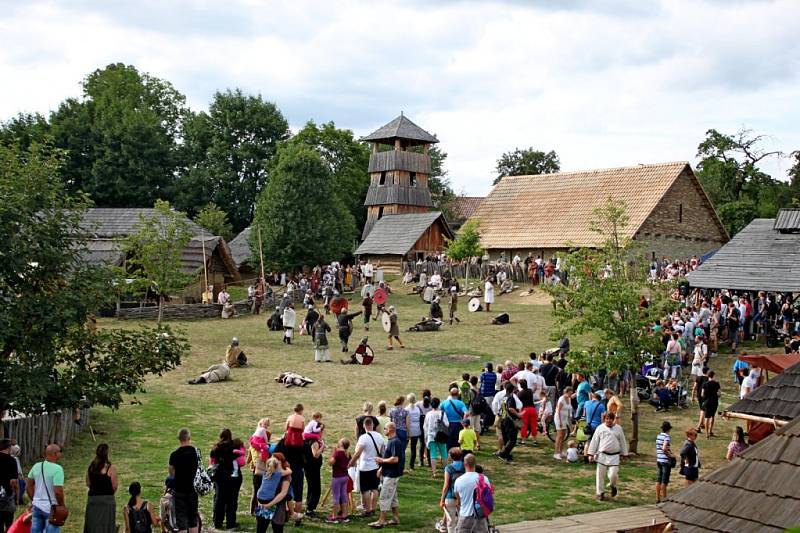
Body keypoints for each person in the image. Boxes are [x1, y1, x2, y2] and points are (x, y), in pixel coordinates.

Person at [587, 412, 629, 501]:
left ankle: (613, 485)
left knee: (613, 475)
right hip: (602, 455)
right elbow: (595, 441)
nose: (608, 421)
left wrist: (625, 453)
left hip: (614, 456)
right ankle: (600, 493)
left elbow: (622, 441)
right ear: (604, 419)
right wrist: (590, 454)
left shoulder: (618, 429)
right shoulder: (600, 428)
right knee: (600, 475)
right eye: (607, 419)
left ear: (613, 420)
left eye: (610, 419)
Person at [370, 422, 404, 528]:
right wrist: (381, 468)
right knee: (393, 497)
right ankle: (395, 518)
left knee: (384, 496)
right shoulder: (391, 441)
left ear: (390, 430)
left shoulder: (394, 442)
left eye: (385, 428)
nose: (384, 430)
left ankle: (382, 520)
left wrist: (381, 460)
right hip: (389, 473)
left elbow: (395, 459)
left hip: (391, 475)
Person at [348, 417, 384, 518]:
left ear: (364, 426)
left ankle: (367, 510)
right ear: (372, 425)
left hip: (365, 466)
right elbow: (381, 451)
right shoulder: (379, 436)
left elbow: (358, 453)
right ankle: (373, 508)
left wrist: (350, 463)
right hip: (376, 465)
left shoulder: (363, 438)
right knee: (375, 488)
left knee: (365, 490)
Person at [27, 444, 65, 533]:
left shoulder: (36, 466)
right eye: (60, 451)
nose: (61, 454)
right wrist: (62, 505)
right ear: (56, 454)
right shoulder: (58, 469)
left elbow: (28, 485)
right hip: (52, 508)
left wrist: (34, 499)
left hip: (37, 506)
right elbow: (58, 491)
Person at [167, 429, 200, 533]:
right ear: (189, 438)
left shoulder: (174, 455)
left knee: (181, 521)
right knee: (192, 520)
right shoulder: (195, 452)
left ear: (179, 439)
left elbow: (171, 474)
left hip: (179, 489)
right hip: (192, 489)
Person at [84, 443, 118, 533]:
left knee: (93, 523)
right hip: (107, 500)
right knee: (107, 524)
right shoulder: (110, 468)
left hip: (93, 499)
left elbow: (88, 483)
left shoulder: (91, 467)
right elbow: (114, 486)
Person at [453, 454, 491, 533]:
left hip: (464, 516)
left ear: (464, 464)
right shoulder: (484, 478)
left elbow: (458, 500)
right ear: (475, 464)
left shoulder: (459, 480)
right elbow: (488, 496)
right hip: (480, 516)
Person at [210, 429, 240, 529]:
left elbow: (212, 463)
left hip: (220, 476)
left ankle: (217, 522)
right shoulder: (235, 446)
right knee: (232, 500)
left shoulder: (216, 448)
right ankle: (230, 523)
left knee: (219, 499)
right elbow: (241, 461)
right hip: (233, 476)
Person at [254, 457, 291, 533]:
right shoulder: (278, 474)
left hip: (260, 496)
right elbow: (289, 471)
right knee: (263, 522)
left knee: (266, 523)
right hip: (269, 499)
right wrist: (285, 466)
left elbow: (257, 470)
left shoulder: (266, 472)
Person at [283, 405, 306, 521]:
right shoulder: (302, 443)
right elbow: (303, 429)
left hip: (288, 469)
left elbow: (285, 428)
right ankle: (297, 518)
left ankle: (288, 514)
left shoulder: (286, 442)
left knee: (287, 494)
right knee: (298, 495)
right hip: (298, 469)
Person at [326, 438, 351, 524]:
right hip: (345, 476)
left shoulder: (338, 453)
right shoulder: (347, 453)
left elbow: (331, 463)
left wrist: (332, 455)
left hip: (337, 477)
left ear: (341, 444)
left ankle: (334, 516)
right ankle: (344, 515)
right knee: (344, 495)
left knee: (336, 496)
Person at [495, 382, 522, 462]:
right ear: (512, 390)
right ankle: (503, 454)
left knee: (506, 438)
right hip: (509, 421)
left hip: (503, 419)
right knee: (513, 440)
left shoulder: (504, 397)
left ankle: (507, 454)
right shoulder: (511, 398)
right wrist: (518, 415)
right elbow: (510, 408)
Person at [439, 448, 464, 533]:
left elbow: (446, 486)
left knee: (451, 523)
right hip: (463, 497)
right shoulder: (465, 466)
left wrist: (442, 499)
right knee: (462, 521)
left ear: (451, 457)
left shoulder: (449, 468)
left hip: (450, 497)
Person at [423, 398, 449, 478]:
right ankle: (445, 471)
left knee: (433, 454)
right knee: (444, 453)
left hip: (431, 436)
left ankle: (434, 472)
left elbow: (425, 426)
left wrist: (426, 437)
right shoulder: (442, 413)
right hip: (441, 435)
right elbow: (447, 424)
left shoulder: (428, 414)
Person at [303, 428, 324, 518]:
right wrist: (322, 446)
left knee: (311, 487)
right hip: (313, 468)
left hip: (308, 466)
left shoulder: (307, 440)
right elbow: (315, 455)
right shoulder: (314, 442)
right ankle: (310, 509)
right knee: (315, 489)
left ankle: (309, 506)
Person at [0, 439, 19, 533]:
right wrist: (17, 497)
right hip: (7, 496)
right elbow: (13, 482)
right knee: (9, 525)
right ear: (8, 447)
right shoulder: (12, 460)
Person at [655, 421, 675, 503]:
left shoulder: (658, 436)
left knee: (658, 480)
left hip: (659, 460)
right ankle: (664, 498)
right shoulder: (667, 437)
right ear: (669, 429)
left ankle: (657, 498)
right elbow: (664, 448)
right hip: (665, 461)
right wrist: (670, 455)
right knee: (664, 481)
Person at [554, 387, 574, 461]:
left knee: (563, 436)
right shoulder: (561, 399)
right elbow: (558, 411)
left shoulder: (569, 399)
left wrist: (570, 425)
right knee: (559, 436)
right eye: (570, 393)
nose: (570, 394)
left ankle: (561, 451)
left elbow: (569, 412)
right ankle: (556, 453)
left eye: (571, 393)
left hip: (564, 419)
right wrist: (560, 422)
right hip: (559, 419)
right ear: (566, 392)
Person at [406, 393, 425, 470]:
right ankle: (412, 465)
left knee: (407, 447)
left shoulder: (406, 409)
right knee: (413, 448)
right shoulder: (417, 408)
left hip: (409, 429)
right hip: (417, 429)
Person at [700, 371, 720, 438]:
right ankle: (710, 431)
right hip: (714, 402)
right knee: (712, 416)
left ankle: (706, 434)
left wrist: (705, 398)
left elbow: (702, 394)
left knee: (706, 417)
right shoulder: (717, 384)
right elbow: (719, 393)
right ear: (713, 376)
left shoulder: (705, 384)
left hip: (707, 402)